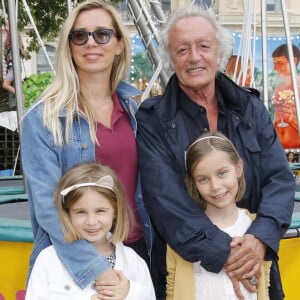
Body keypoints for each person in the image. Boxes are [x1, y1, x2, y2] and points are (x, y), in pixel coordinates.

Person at [136, 5, 294, 300]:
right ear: (171, 59)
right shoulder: (154, 119)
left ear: (219, 54)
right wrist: (229, 254)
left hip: (255, 265)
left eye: (203, 46)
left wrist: (259, 240)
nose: (194, 57)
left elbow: (279, 180)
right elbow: (165, 200)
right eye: (182, 49)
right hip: (188, 270)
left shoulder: (250, 108)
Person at [21, 0, 152, 293]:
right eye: (79, 36)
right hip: (72, 263)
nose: (91, 43)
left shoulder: (138, 112)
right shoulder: (43, 119)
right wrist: (99, 270)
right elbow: (47, 206)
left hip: (136, 255)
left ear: (119, 44)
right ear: (69, 46)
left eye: (102, 34)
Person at [25, 162, 155, 299]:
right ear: (67, 213)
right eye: (81, 212)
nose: (91, 221)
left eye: (100, 211)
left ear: (115, 211)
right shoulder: (48, 260)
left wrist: (130, 293)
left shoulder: (134, 261)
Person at [166, 132, 271, 300]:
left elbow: (264, 281)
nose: (215, 186)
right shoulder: (184, 231)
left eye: (222, 173)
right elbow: (173, 283)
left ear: (238, 168)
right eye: (203, 179)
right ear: (193, 183)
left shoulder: (257, 228)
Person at [272, 43, 300, 148]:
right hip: (277, 146)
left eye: (280, 63)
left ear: (294, 61)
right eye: (274, 63)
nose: (276, 68)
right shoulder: (278, 86)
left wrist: (291, 118)